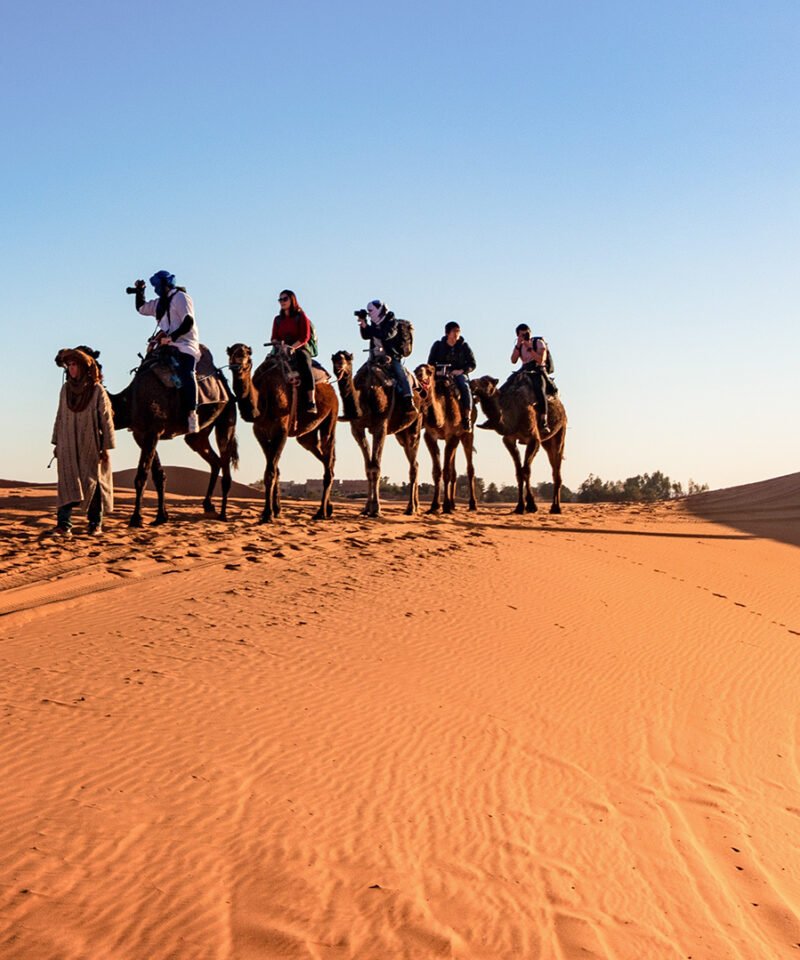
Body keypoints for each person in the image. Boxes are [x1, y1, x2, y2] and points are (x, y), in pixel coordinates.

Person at [51, 349, 116, 538]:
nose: (71, 369)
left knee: (93, 481)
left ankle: (95, 524)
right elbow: (60, 416)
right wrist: (57, 443)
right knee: (66, 482)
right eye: (69, 365)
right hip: (67, 442)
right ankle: (64, 525)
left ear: (83, 367)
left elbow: (106, 419)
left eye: (74, 365)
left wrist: (106, 447)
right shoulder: (65, 389)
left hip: (91, 442)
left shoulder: (96, 390)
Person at [134, 270, 201, 433]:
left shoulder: (181, 298)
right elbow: (141, 308)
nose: (156, 289)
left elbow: (188, 321)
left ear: (165, 284)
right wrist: (139, 291)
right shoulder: (160, 303)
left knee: (187, 373)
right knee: (145, 369)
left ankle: (192, 413)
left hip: (185, 344)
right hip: (165, 346)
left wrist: (172, 337)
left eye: (157, 285)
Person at [357, 299, 414, 412]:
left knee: (400, 373)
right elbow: (366, 335)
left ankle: (409, 398)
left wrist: (369, 327)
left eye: (371, 311)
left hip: (391, 357)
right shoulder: (374, 324)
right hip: (375, 358)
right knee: (359, 375)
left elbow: (386, 335)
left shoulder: (392, 322)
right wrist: (363, 323)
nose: (370, 313)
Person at [270, 289, 317, 414]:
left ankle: (311, 401)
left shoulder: (301, 316)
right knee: (266, 367)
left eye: (285, 299)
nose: (282, 302)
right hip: (281, 349)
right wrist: (278, 344)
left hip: (299, 347)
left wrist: (292, 347)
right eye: (280, 299)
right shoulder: (277, 319)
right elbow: (274, 337)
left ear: (292, 300)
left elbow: (305, 337)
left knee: (305, 364)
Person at [427, 321, 476, 431]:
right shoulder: (438, 346)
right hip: (440, 374)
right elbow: (430, 363)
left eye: (458, 331)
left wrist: (462, 370)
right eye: (454, 331)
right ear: (447, 333)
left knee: (465, 386)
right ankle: (422, 414)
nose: (456, 334)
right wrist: (436, 372)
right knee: (425, 387)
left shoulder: (464, 346)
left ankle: (467, 417)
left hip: (458, 374)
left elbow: (472, 364)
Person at [511, 323, 550, 434]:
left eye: (526, 334)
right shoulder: (520, 345)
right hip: (524, 370)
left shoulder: (538, 343)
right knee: (506, 386)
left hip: (537, 370)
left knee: (539, 389)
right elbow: (513, 360)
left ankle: (544, 420)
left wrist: (529, 348)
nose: (525, 336)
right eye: (522, 335)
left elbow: (540, 360)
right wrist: (518, 345)